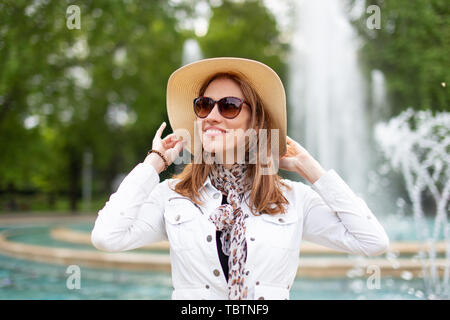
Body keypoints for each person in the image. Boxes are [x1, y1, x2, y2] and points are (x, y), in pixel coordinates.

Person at [91, 57, 389, 300]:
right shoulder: (174, 195)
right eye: (204, 105)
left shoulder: (291, 199)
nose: (212, 116)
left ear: (254, 122)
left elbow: (372, 241)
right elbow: (107, 236)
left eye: (229, 106)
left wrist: (310, 169)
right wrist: (152, 164)